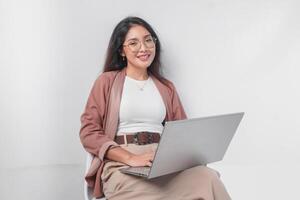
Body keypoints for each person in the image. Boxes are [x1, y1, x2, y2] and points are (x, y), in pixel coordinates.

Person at [79, 16, 231, 200]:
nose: (143, 48)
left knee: (207, 178)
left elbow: (183, 132)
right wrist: (130, 158)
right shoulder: (106, 82)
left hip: (162, 162)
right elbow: (89, 131)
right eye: (133, 43)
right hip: (121, 163)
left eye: (148, 40)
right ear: (121, 51)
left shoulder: (166, 87)